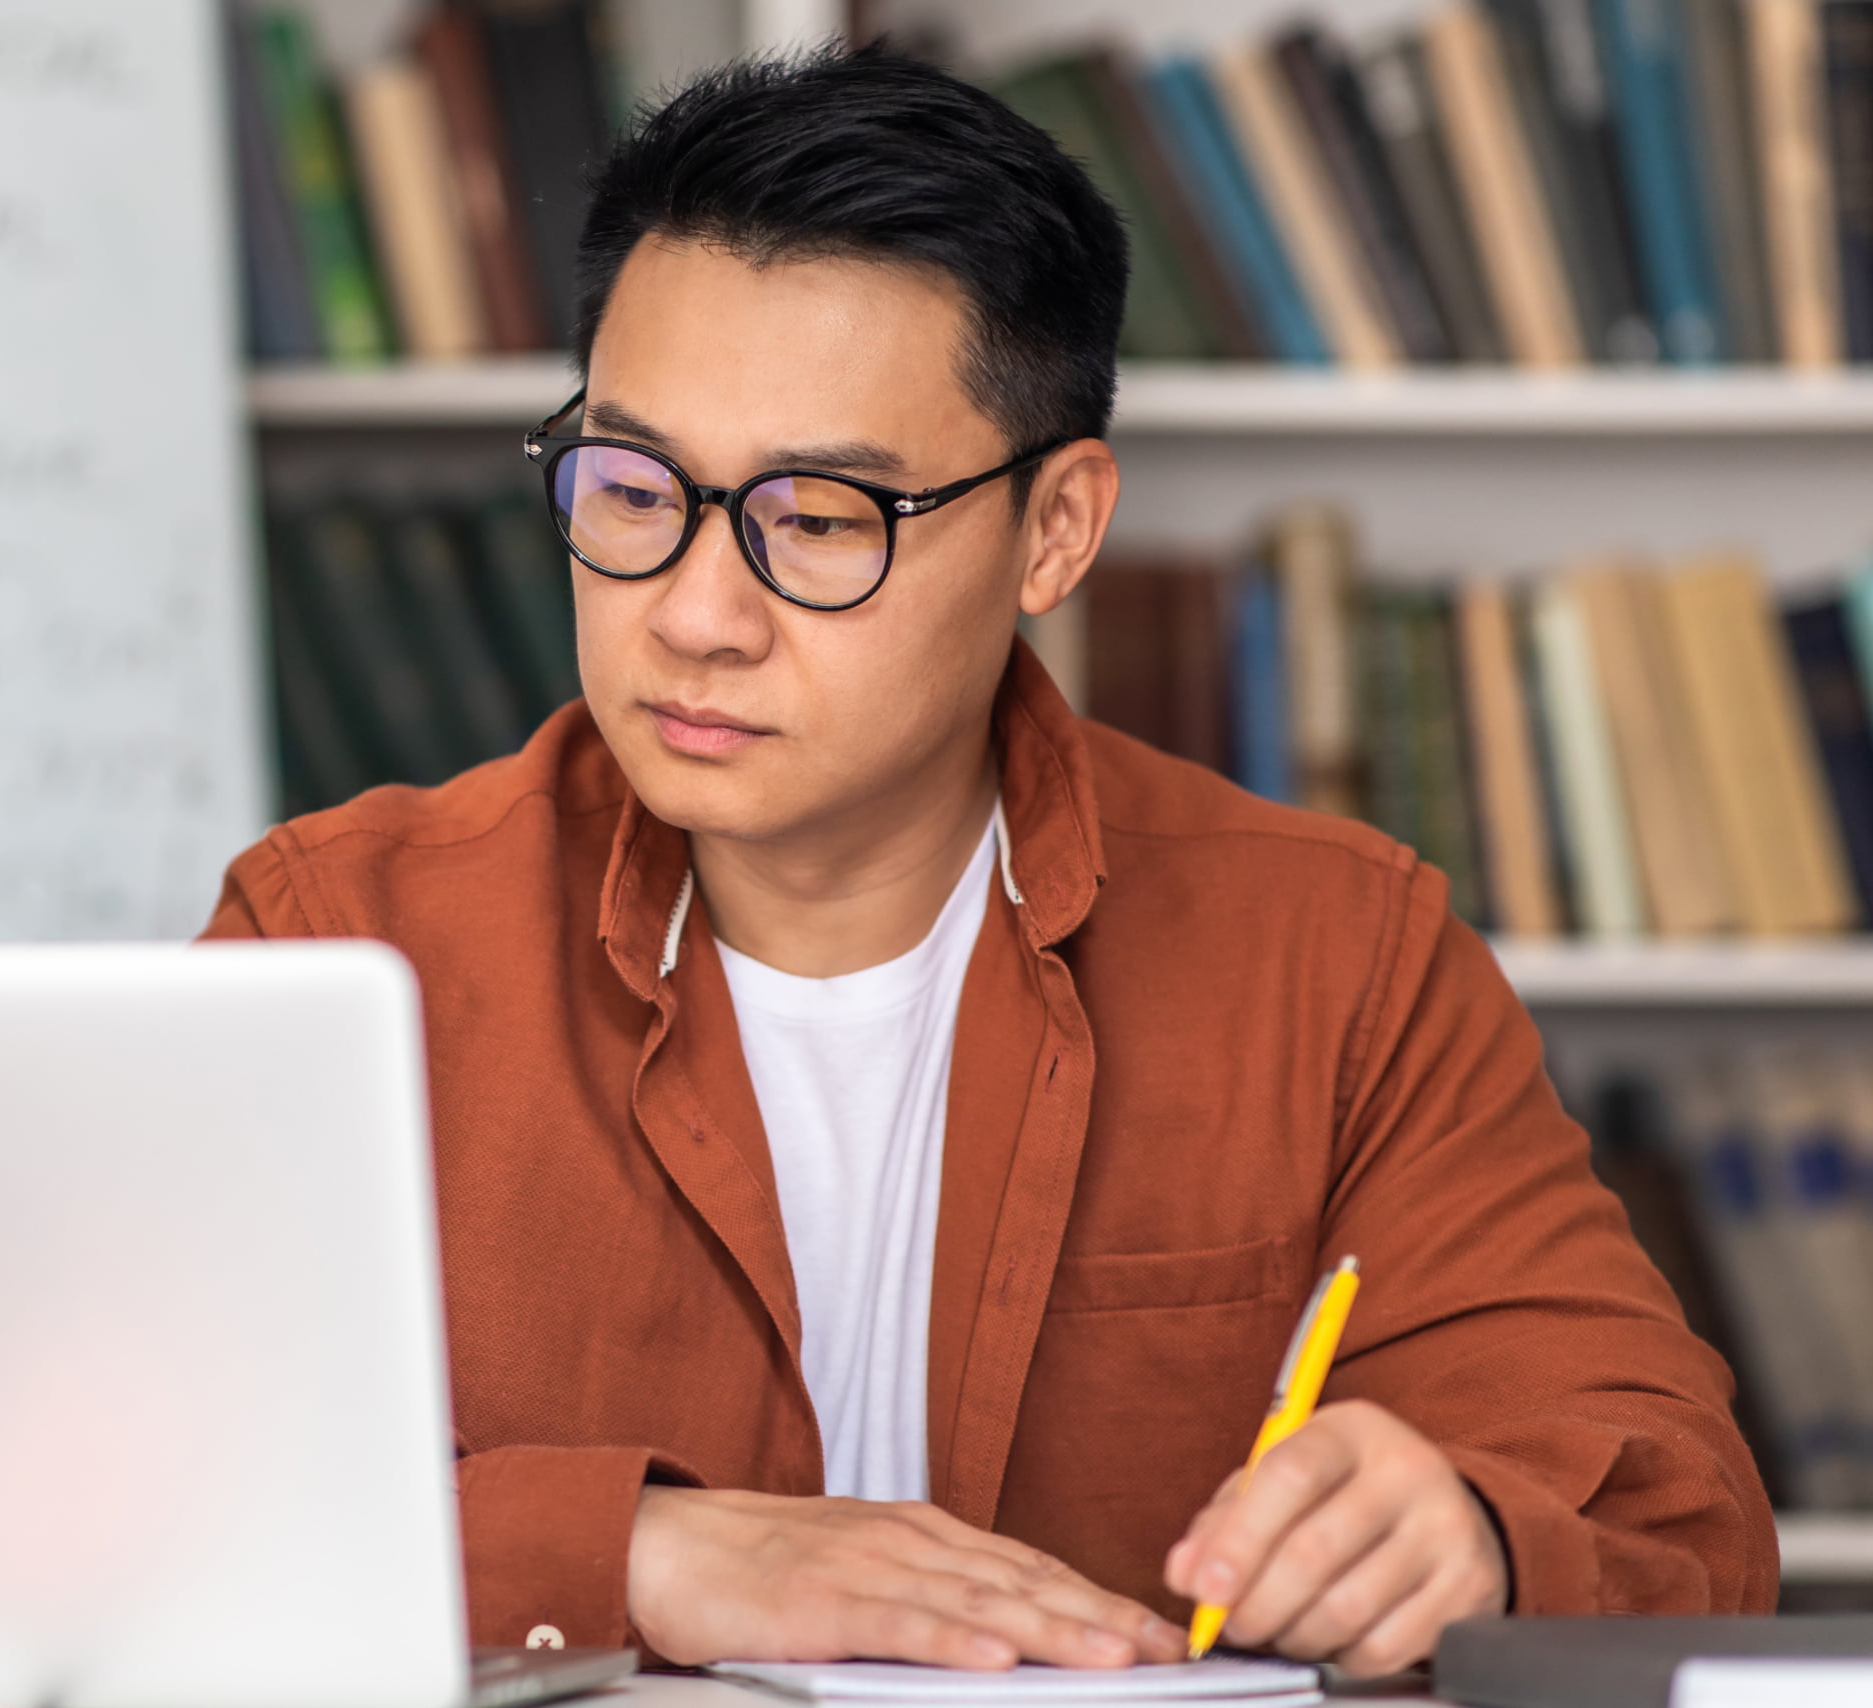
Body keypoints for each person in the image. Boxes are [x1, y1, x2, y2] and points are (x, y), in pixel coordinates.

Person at [204, 45, 1773, 1678]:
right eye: (634, 487)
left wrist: (1479, 1533)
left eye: (819, 519)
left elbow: (1681, 1518)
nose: (693, 613)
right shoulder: (338, 945)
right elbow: (111, 1513)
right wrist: (640, 1553)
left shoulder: (1333, 957)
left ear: (1056, 530)